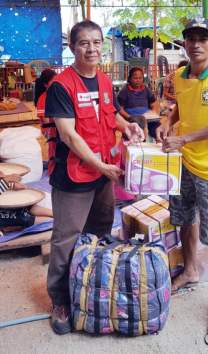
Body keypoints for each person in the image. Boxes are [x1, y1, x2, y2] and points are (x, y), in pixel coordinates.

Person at [44, 20, 144, 335]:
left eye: (97, 42)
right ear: (73, 47)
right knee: (66, 238)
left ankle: (92, 287)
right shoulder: (61, 85)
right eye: (84, 43)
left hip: (102, 173)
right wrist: (101, 167)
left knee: (101, 230)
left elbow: (110, 112)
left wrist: (127, 127)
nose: (92, 49)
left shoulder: (102, 80)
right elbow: (69, 135)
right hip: (74, 175)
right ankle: (60, 300)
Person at [156, 18, 208, 346]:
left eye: (203, 38)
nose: (196, 44)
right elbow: (179, 108)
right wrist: (166, 121)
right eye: (190, 38)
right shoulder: (179, 75)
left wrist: (185, 138)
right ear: (184, 44)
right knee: (184, 217)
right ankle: (190, 270)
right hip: (183, 161)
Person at [117, 67, 159, 138]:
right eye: (135, 78)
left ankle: (156, 142)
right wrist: (129, 116)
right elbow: (120, 108)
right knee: (138, 127)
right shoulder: (124, 91)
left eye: (140, 78)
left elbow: (154, 103)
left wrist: (152, 113)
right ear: (130, 79)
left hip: (146, 117)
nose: (138, 80)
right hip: (132, 117)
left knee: (157, 126)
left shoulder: (146, 89)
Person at [34, 69, 57, 138]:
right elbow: (48, 123)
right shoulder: (42, 100)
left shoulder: (58, 95)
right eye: (53, 82)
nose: (57, 84)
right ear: (45, 85)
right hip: (50, 132)